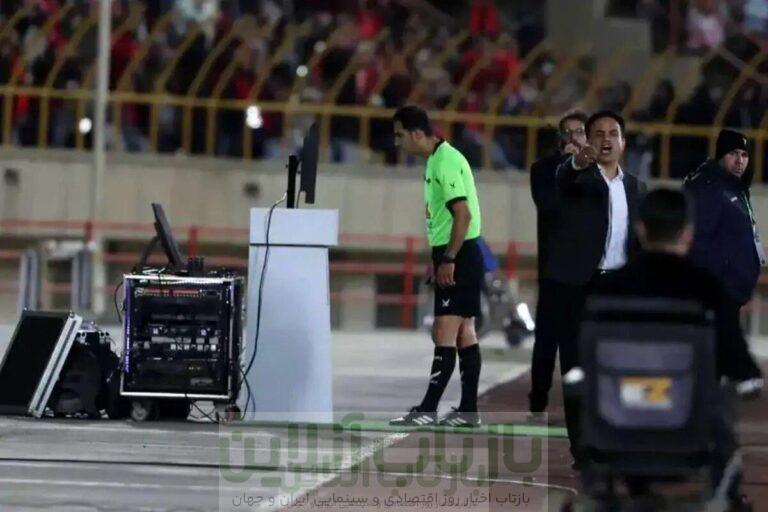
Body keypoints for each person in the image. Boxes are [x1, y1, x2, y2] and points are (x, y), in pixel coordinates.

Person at [590, 188, 742, 504]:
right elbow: (737, 362)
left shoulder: (606, 289)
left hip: (616, 427)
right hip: (689, 430)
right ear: (687, 232)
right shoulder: (709, 289)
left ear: (640, 229)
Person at [547, 110, 646, 463]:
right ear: (588, 141)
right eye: (599, 134)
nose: (606, 140)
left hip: (619, 290)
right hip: (579, 288)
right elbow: (563, 178)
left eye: (613, 133)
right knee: (576, 369)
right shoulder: (576, 179)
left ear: (623, 142)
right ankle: (582, 448)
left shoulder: (637, 188)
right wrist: (576, 163)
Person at [389, 105, 485, 428]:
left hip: (461, 254)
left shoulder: (445, 161)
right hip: (457, 252)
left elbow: (463, 214)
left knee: (444, 330)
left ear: (417, 133)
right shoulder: (437, 159)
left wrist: (449, 258)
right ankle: (468, 411)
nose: (397, 142)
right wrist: (440, 257)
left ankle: (428, 409)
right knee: (463, 332)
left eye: (400, 135)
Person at [684, 128, 765, 397]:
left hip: (731, 286)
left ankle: (719, 392)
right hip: (719, 286)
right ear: (720, 155)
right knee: (720, 344)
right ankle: (744, 375)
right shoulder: (710, 188)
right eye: (733, 154)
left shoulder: (735, 188)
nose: (740, 160)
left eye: (744, 154)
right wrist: (721, 278)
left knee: (718, 350)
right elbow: (699, 240)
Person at [528, 110, 588, 414]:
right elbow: (548, 205)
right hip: (552, 269)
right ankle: (537, 401)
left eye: (579, 131)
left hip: (585, 271)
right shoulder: (543, 169)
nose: (573, 137)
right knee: (546, 342)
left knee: (575, 345)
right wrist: (568, 168)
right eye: (568, 132)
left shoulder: (597, 172)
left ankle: (575, 407)